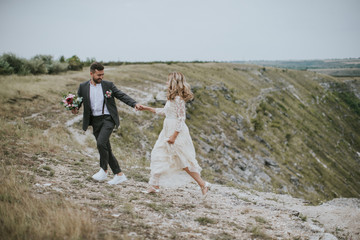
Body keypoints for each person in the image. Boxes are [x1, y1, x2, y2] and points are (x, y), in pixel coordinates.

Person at [140, 72, 211, 196]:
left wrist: (174, 136)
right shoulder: (172, 98)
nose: (166, 83)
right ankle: (154, 185)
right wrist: (146, 108)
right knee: (158, 154)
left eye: (168, 81)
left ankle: (203, 184)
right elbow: (166, 112)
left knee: (183, 160)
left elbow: (181, 118)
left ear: (173, 82)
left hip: (176, 131)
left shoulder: (178, 99)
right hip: (167, 129)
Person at [72, 62, 143, 185]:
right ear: (91, 73)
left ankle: (103, 170)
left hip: (108, 119)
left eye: (102, 74)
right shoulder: (83, 87)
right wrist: (74, 108)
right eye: (98, 75)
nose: (101, 77)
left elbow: (121, 95)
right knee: (106, 148)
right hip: (94, 120)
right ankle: (119, 174)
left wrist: (134, 103)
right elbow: (79, 102)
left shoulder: (108, 85)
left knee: (101, 143)